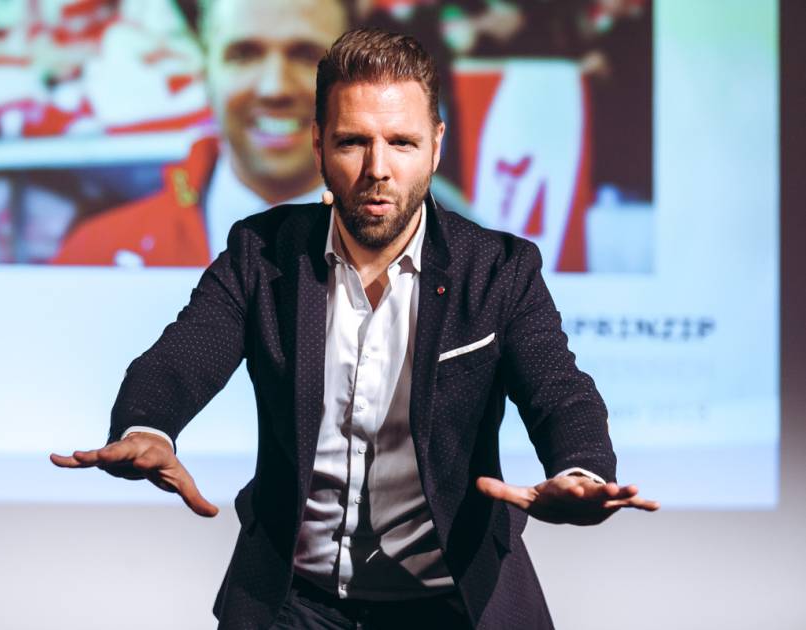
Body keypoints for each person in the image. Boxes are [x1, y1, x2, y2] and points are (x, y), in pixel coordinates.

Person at [52, 28, 658, 629]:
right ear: (318, 146)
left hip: (450, 600)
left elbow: (560, 391)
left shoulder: (498, 268)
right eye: (352, 142)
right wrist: (148, 427)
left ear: (436, 146)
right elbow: (183, 355)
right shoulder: (260, 252)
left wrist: (580, 470)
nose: (377, 169)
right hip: (295, 600)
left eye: (401, 142)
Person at [51, 0, 348, 266]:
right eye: (244, 55)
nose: (275, 88)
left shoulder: (384, 259)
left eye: (307, 57)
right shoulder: (94, 256)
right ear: (205, 71)